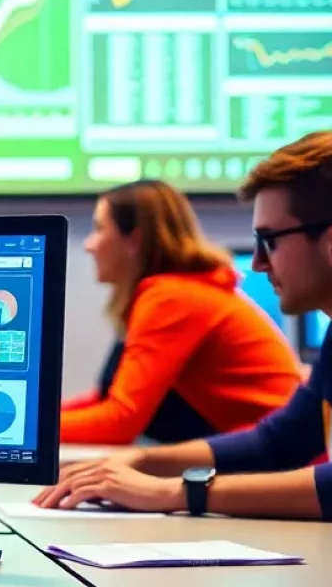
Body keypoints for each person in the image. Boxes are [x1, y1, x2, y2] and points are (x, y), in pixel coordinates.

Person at [38, 130, 332, 519]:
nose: (258, 264)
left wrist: (174, 490)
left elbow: (120, 418)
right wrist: (140, 464)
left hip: (281, 486)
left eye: (270, 240)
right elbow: (278, 439)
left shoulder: (173, 296)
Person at [60, 178, 300, 445]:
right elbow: (108, 399)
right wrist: (33, 423)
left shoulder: (172, 299)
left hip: (276, 463)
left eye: (99, 229)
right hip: (260, 454)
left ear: (134, 240)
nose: (88, 244)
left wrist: (22, 433)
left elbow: (120, 421)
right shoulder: (174, 293)